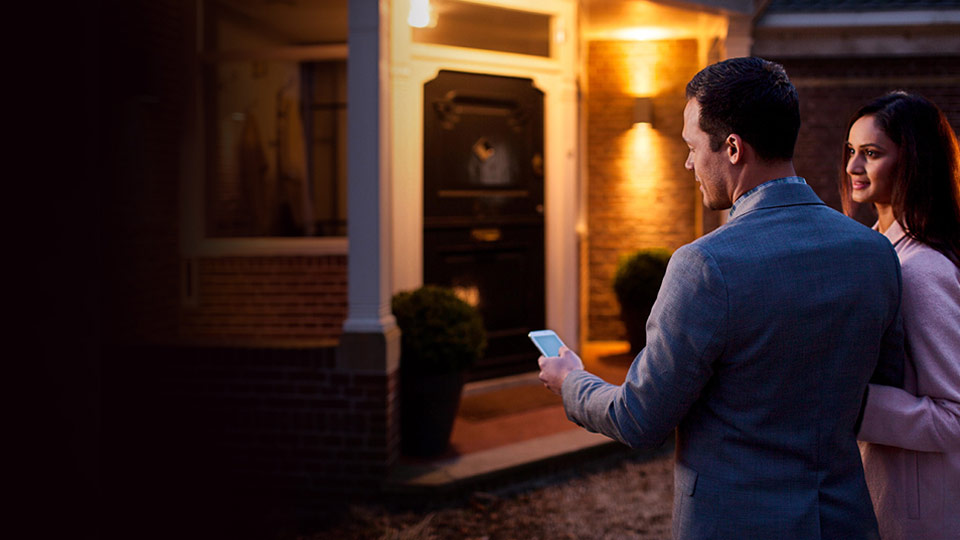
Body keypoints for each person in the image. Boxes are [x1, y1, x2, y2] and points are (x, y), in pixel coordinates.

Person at [538, 57, 905, 539]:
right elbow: (887, 382)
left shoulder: (705, 265)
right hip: (843, 520)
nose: (689, 162)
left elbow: (638, 418)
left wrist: (571, 382)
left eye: (692, 147)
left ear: (732, 148)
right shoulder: (875, 252)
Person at [842, 91, 960, 540]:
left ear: (913, 162)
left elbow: (954, 415)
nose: (854, 167)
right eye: (851, 152)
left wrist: (851, 402)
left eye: (871, 154)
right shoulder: (877, 250)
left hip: (921, 513)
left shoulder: (923, 270)